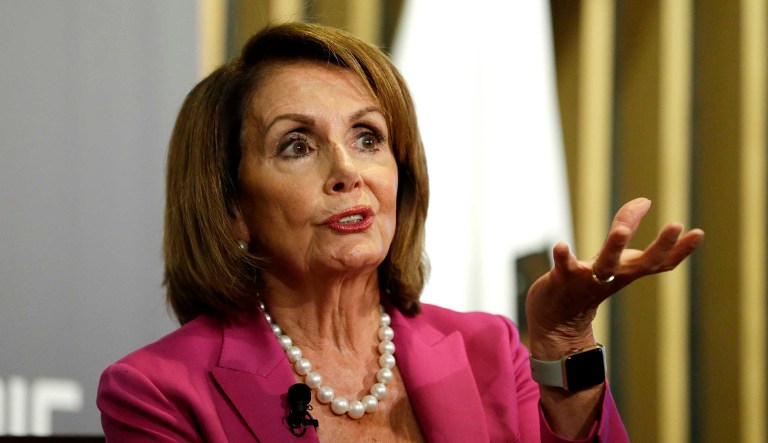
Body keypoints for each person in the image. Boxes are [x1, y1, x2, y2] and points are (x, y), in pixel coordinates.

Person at [97, 22, 704, 442]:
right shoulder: (158, 392)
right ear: (231, 205)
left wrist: (564, 341)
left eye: (367, 137)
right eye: (297, 145)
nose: (348, 171)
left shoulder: (488, 349)